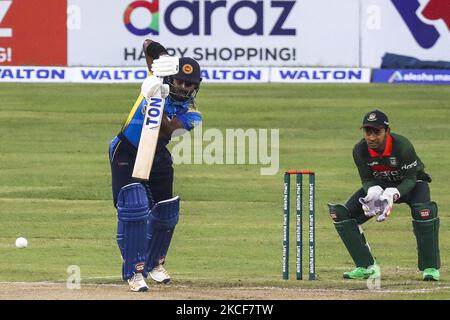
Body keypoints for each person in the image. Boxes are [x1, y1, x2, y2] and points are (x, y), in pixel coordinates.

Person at [109, 39, 202, 292]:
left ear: (195, 88)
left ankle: (154, 264)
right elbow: (147, 43)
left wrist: (154, 101)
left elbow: (169, 129)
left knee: (166, 211)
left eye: (189, 84)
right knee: (134, 206)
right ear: (172, 78)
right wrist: (163, 59)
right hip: (127, 148)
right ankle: (135, 272)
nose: (183, 87)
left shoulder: (193, 114)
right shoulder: (157, 79)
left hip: (156, 153)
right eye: (180, 81)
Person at [328, 109, 440, 281]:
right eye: (368, 132)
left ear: (387, 131)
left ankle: (430, 268)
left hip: (412, 184)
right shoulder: (360, 150)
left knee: (423, 212)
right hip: (381, 184)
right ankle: (367, 267)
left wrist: (393, 193)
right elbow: (366, 178)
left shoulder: (402, 146)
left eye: (377, 132)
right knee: (343, 215)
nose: (372, 137)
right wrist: (373, 190)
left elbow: (410, 179)